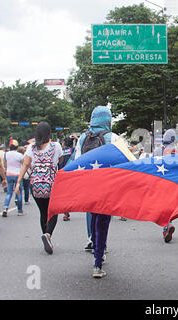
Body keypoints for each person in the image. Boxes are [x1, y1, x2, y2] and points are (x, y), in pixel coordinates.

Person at [73, 105, 119, 278]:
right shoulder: (112, 137)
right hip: (107, 185)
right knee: (104, 221)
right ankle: (98, 263)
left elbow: (77, 161)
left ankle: (94, 244)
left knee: (93, 217)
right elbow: (122, 161)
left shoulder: (83, 137)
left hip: (88, 183)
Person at [15, 122, 63, 253]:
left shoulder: (31, 147)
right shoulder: (56, 146)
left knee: (43, 212)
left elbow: (25, 164)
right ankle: (48, 235)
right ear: (49, 133)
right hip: (51, 183)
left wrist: (18, 182)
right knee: (53, 211)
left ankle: (46, 238)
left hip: (35, 184)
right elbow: (60, 161)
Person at [153, 129, 178, 243]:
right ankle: (168, 225)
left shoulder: (158, 150)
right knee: (171, 204)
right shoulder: (177, 150)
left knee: (162, 204)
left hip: (161, 180)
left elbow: (153, 164)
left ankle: (167, 225)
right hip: (174, 181)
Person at [2, 140, 24, 217]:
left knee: (9, 193)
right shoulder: (20, 155)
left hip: (9, 174)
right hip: (18, 175)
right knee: (18, 192)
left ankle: (5, 208)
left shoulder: (6, 154)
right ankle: (20, 210)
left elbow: (5, 164)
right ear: (17, 147)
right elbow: (23, 165)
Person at [59, 136, 75, 221]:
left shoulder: (60, 151)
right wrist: (76, 138)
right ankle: (67, 210)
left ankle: (65, 212)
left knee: (63, 194)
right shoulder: (72, 150)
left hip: (61, 174)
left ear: (64, 143)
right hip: (70, 174)